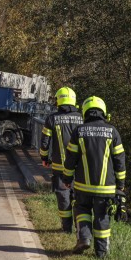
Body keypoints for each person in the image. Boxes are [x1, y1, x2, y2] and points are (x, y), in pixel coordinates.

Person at [62, 96, 126, 259]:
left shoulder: (79, 131)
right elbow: (119, 160)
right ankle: (101, 253)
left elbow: (70, 159)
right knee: (102, 217)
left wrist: (67, 179)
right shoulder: (113, 132)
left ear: (85, 112)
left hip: (83, 186)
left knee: (82, 210)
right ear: (103, 112)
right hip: (106, 187)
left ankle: (84, 238)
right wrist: (121, 184)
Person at [39, 87, 83, 233]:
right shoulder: (82, 118)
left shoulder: (52, 118)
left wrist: (44, 158)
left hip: (60, 167)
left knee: (63, 195)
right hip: (80, 167)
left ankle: (66, 228)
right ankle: (80, 228)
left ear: (59, 100)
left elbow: (45, 142)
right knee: (79, 197)